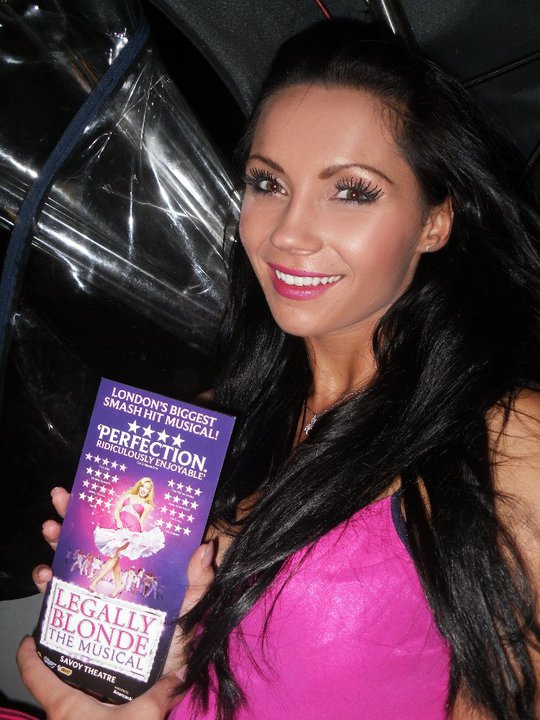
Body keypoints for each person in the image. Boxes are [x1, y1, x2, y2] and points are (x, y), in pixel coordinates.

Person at [17, 19, 540, 720]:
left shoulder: (509, 442)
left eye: (351, 191)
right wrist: (130, 681)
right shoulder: (201, 429)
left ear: (435, 221)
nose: (287, 233)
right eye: (267, 182)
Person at [88, 477, 165, 596]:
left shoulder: (146, 506)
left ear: (149, 491)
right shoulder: (128, 495)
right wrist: (118, 520)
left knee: (114, 555)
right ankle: (118, 586)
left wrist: (139, 538)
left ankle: (95, 582)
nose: (144, 490)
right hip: (118, 527)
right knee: (116, 558)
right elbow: (117, 509)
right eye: (143, 486)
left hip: (131, 532)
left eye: (147, 488)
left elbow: (141, 522)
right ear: (139, 486)